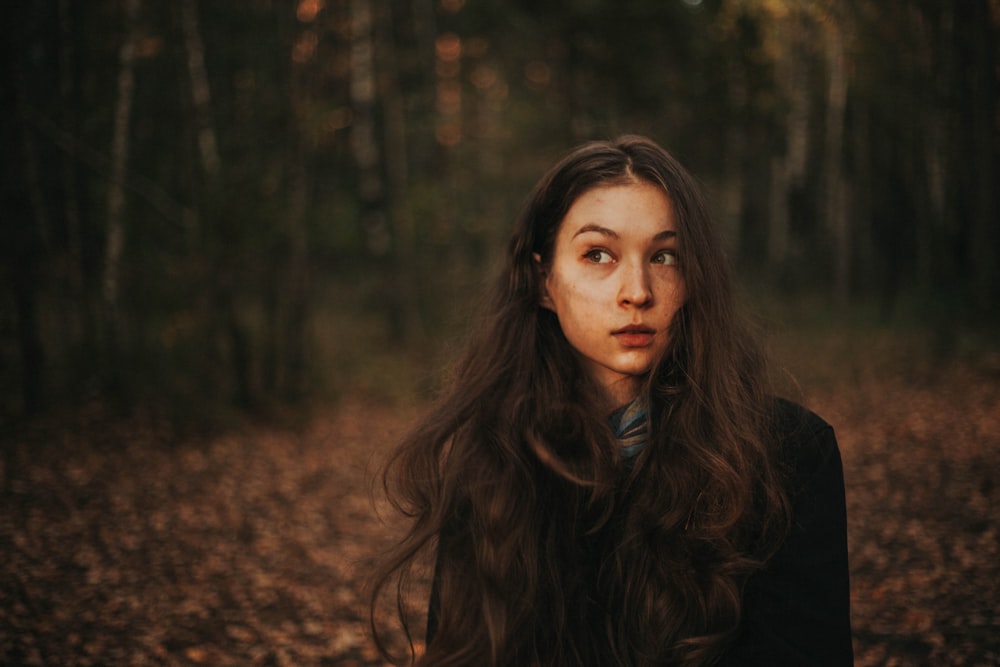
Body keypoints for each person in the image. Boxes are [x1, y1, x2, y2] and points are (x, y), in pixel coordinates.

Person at [369, 135, 853, 666]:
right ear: (543, 282)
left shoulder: (789, 454)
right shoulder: (493, 457)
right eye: (598, 254)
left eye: (665, 256)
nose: (637, 291)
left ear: (695, 280)